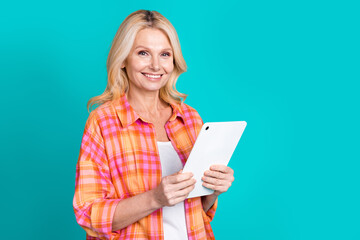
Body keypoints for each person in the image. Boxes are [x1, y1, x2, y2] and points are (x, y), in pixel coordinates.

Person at [73, 9, 235, 240]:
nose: (156, 66)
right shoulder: (103, 122)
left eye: (165, 54)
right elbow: (89, 214)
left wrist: (213, 190)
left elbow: (198, 211)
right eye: (143, 53)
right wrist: (155, 198)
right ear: (123, 59)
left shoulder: (190, 119)